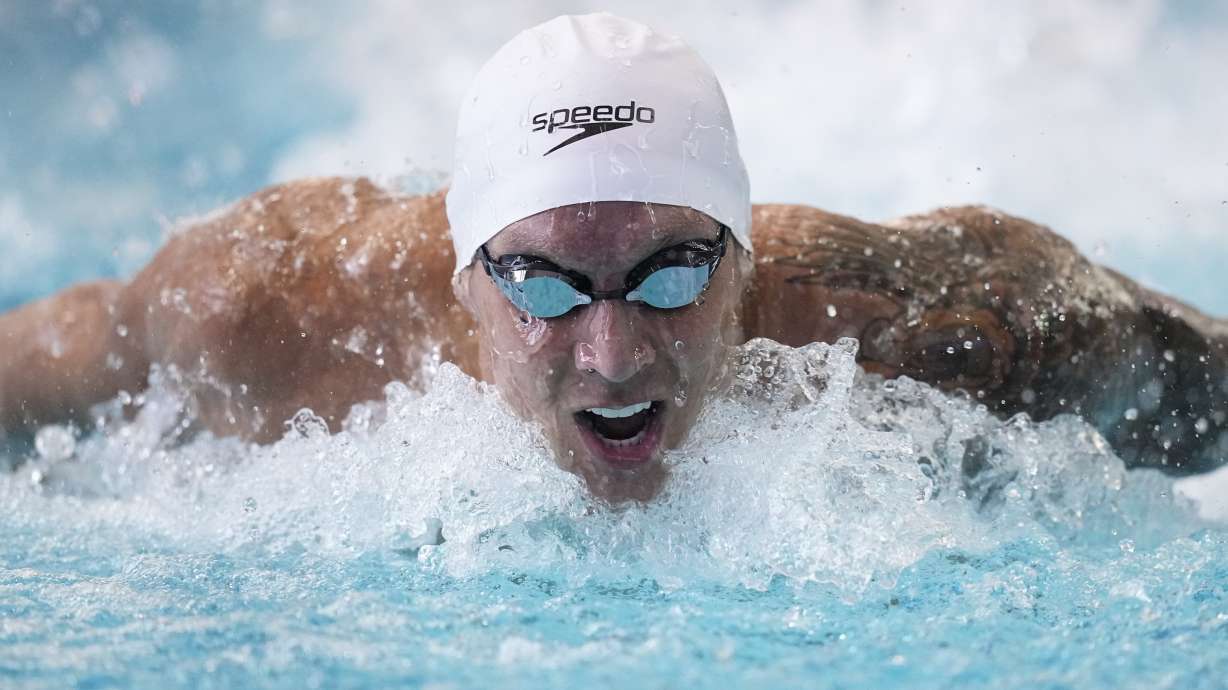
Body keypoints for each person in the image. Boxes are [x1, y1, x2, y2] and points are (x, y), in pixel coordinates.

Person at [2, 14, 1225, 500]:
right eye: (538, 284)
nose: (613, 353)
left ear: (748, 266)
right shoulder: (257, 314)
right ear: (459, 278)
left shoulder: (927, 330)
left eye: (674, 276)